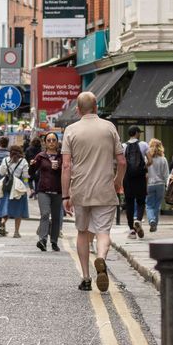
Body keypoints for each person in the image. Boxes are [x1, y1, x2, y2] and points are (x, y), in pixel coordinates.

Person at [62, 92, 126, 292]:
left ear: (78, 110)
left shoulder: (71, 130)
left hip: (80, 189)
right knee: (103, 232)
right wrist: (118, 182)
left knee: (82, 232)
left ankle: (86, 277)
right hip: (105, 189)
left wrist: (65, 195)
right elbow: (122, 161)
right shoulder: (109, 127)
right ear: (96, 107)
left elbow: (66, 166)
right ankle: (101, 258)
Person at [32, 132, 63, 252]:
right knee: (45, 214)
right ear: (45, 142)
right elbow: (31, 172)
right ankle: (42, 240)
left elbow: (67, 171)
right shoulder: (41, 156)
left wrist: (59, 167)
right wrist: (32, 165)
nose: (51, 142)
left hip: (58, 190)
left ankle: (54, 241)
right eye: (48, 140)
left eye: (53, 140)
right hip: (43, 190)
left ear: (57, 142)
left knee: (56, 217)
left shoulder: (61, 156)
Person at [0, 144, 31, 238]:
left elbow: (1, 172)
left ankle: (2, 222)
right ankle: (16, 232)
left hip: (7, 186)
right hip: (18, 188)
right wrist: (26, 184)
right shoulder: (23, 161)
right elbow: (25, 176)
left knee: (6, 207)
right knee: (18, 210)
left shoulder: (5, 160)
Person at [122, 126, 149, 239]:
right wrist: (144, 167)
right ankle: (138, 220)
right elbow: (150, 160)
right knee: (141, 201)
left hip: (128, 178)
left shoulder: (123, 146)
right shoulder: (143, 145)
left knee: (129, 203)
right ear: (137, 133)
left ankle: (132, 231)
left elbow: (121, 163)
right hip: (140, 178)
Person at [145, 139, 169, 232]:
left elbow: (145, 172)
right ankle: (155, 223)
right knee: (157, 205)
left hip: (149, 184)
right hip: (160, 184)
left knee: (149, 205)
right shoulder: (163, 159)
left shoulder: (146, 159)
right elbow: (166, 174)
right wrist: (167, 186)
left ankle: (151, 220)